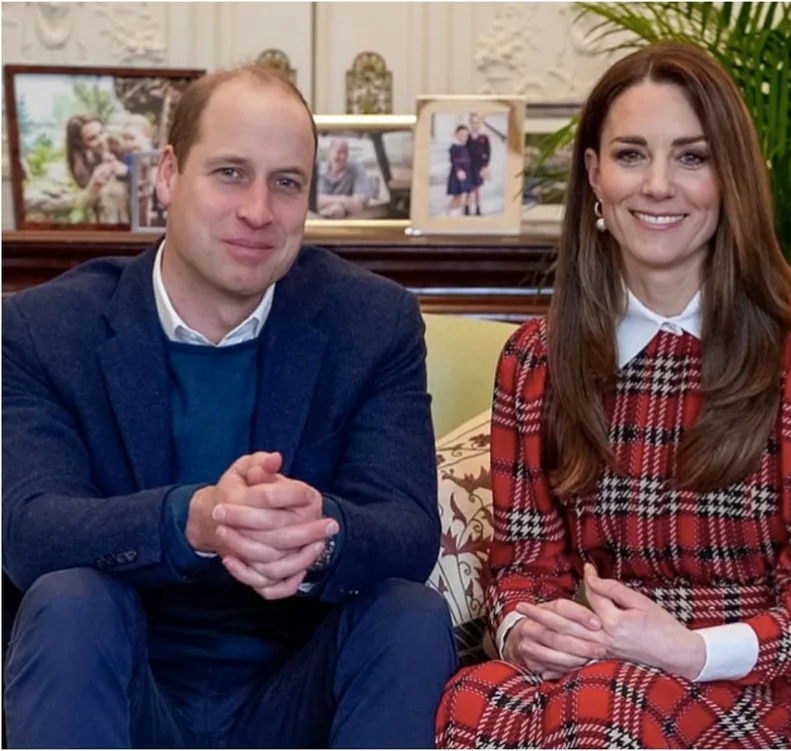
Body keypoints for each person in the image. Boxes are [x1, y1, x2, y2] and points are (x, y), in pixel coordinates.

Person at [435, 41, 791, 749]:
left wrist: (688, 650)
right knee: (477, 699)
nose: (657, 185)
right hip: (602, 670)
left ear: (730, 177)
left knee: (606, 703)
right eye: (631, 155)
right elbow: (525, 567)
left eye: (691, 157)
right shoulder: (536, 360)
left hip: (769, 687)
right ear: (594, 174)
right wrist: (527, 628)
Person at [3, 63, 457, 749]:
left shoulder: (372, 322)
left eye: (287, 182)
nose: (258, 211)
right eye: (230, 173)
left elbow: (408, 530)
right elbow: (30, 531)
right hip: (119, 685)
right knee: (69, 600)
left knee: (410, 613)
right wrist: (194, 520)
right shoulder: (44, 329)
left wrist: (321, 531)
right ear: (167, 175)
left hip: (300, 694)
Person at [315, 138, 375, 218]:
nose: (342, 156)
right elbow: (312, 202)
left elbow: (357, 205)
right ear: (330, 153)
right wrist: (344, 200)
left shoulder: (356, 169)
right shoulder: (318, 170)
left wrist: (332, 205)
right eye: (339, 152)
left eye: (345, 153)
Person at [465, 112, 491, 216]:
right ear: (470, 123)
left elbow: (488, 153)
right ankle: (467, 209)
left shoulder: (484, 137)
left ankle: (478, 209)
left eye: (477, 122)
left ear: (481, 123)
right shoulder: (468, 137)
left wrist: (485, 167)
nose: (475, 125)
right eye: (473, 122)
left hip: (479, 166)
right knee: (469, 189)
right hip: (469, 166)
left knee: (478, 189)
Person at [445, 124, 472, 217]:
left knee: (462, 197)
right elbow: (454, 160)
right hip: (456, 175)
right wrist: (458, 170)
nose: (464, 137)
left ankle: (456, 214)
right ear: (456, 135)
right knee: (456, 196)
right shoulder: (454, 147)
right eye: (461, 134)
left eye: (466, 135)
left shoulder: (466, 147)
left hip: (466, 175)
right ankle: (450, 214)